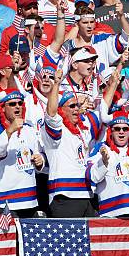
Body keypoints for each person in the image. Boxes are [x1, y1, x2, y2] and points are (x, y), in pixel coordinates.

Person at [41, 66, 101, 217]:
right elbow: (51, 112)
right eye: (72, 106)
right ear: (62, 110)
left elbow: (101, 117)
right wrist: (56, 84)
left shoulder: (82, 129)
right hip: (65, 197)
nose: (77, 109)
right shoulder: (57, 129)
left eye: (78, 106)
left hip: (87, 195)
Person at [0, 86, 45, 217]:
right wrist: (9, 130)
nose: (17, 107)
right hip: (5, 203)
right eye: (12, 104)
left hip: (30, 201)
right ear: (3, 108)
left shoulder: (29, 129)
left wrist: (40, 161)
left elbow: (40, 154)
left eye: (20, 103)